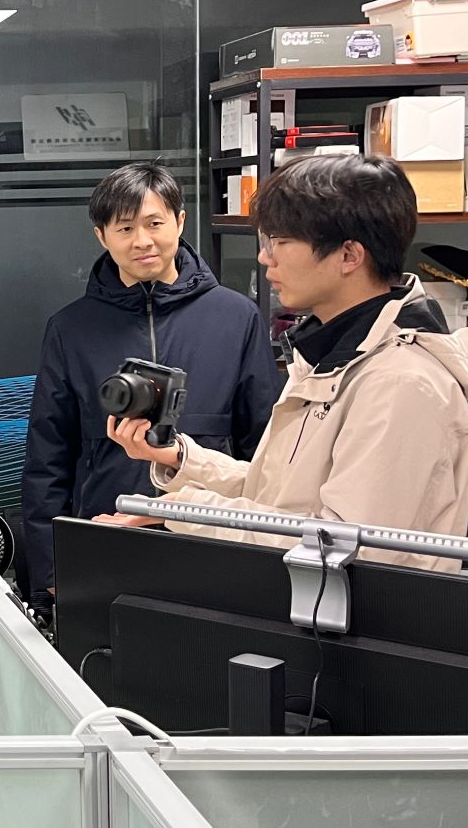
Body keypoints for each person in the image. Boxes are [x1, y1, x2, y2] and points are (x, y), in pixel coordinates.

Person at [103, 152, 468, 564]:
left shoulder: (400, 382)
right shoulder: (329, 354)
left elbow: (344, 547)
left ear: (349, 256)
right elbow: (278, 492)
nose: (266, 257)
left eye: (281, 242)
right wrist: (181, 458)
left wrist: (180, 511)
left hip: (340, 604)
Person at [21, 162, 280, 601]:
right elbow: (48, 456)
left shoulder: (236, 317)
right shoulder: (71, 328)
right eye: (125, 228)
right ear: (102, 236)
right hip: (106, 535)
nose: (141, 240)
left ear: (180, 221)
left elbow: (263, 442)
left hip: (215, 539)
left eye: (154, 223)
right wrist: (51, 568)